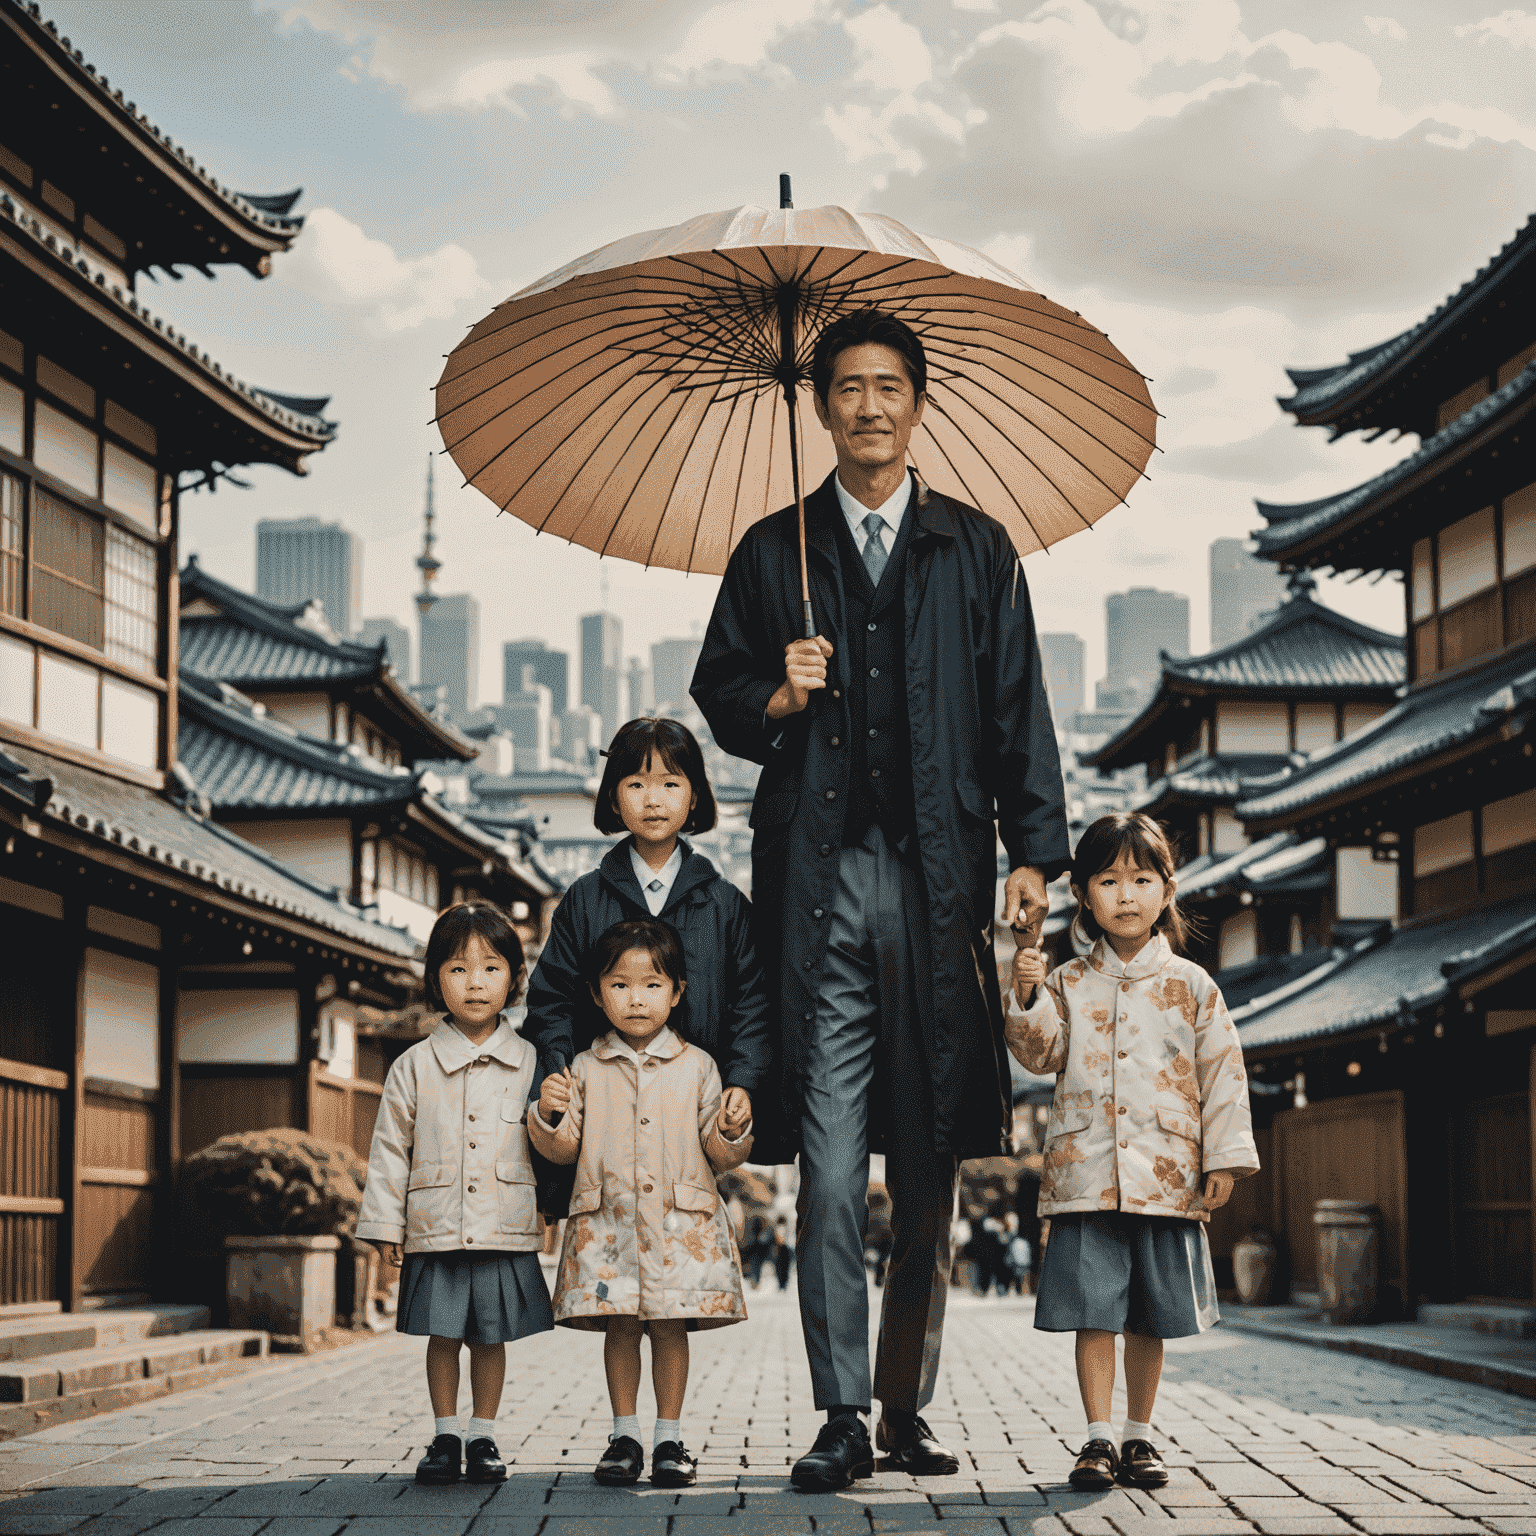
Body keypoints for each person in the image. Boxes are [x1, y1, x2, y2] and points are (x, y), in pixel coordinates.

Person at [692, 307, 1068, 1491]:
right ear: (820, 406)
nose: (867, 405)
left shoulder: (978, 549)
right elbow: (719, 689)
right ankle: (840, 1409)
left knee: (930, 1155)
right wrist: (783, 694)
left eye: (887, 386)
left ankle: (907, 1400)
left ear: (919, 400)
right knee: (831, 1152)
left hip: (942, 874)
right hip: (817, 884)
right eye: (846, 386)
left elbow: (1020, 709)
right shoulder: (773, 550)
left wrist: (1033, 851)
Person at [1008, 812, 1259, 1495]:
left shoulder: (1194, 986)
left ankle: (1139, 1437)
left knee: (1149, 1313)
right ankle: (1094, 1436)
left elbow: (1222, 1075)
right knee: (1096, 1310)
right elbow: (1038, 1054)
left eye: (1141, 879)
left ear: (1167, 890)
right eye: (1108, 879)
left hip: (1165, 1175)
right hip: (1087, 1173)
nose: (1125, 894)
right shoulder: (1066, 981)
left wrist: (1224, 1159)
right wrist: (1026, 990)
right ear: (1084, 895)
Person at [529, 918, 754, 1490]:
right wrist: (549, 1114)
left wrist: (732, 1127)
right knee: (621, 1326)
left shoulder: (699, 1065)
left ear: (677, 993)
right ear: (597, 994)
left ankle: (670, 1436)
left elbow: (718, 1153)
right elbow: (563, 1149)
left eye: (653, 985)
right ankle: (624, 1435)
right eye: (620, 985)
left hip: (679, 1226)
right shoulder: (582, 1067)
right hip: (610, 1225)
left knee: (670, 1327)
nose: (636, 999)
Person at [522, 716, 771, 1204]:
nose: (653, 800)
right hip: (603, 1117)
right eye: (635, 784)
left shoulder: (725, 906)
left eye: (670, 784)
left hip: (694, 1118)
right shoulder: (584, 900)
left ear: (695, 795)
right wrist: (556, 1074)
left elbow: (752, 1007)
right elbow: (551, 999)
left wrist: (742, 1081)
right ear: (613, 798)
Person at [357, 903, 553, 1487]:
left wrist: (555, 1211)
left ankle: (483, 1434)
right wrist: (387, 1226)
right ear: (435, 979)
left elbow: (551, 1144)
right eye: (458, 969)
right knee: (444, 1334)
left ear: (515, 978)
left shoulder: (533, 1063)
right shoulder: (413, 1066)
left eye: (491, 968)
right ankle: (445, 1434)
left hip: (503, 1220)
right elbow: (392, 1148)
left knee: (490, 1337)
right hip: (436, 1221)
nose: (475, 983)